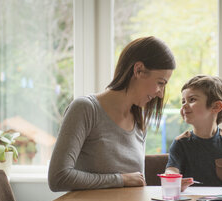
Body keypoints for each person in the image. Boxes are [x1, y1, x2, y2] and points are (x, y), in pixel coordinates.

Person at [48, 36, 175, 192]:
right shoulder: (85, 109)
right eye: (160, 83)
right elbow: (58, 178)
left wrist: (170, 187)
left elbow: (135, 183)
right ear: (138, 70)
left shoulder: (138, 120)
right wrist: (120, 179)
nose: (161, 94)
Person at [165, 75, 222, 191]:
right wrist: (173, 179)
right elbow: (171, 170)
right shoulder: (180, 143)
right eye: (183, 101)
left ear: (216, 106)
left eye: (192, 99)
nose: (184, 105)